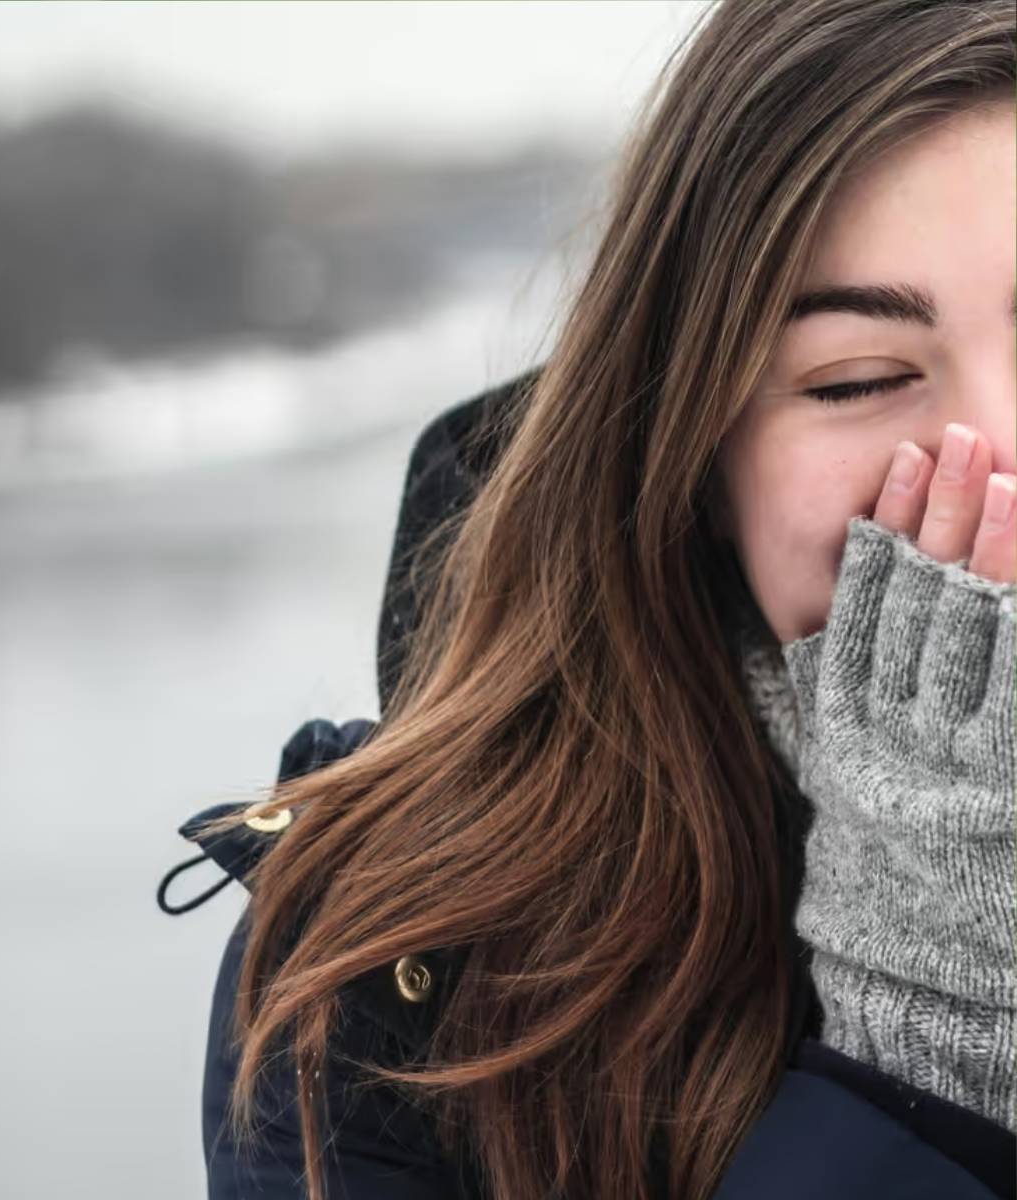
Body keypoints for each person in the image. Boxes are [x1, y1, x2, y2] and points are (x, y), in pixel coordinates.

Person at [157, 0, 1016, 1196]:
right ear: (700, 454)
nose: (996, 457)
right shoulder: (401, 980)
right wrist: (928, 1037)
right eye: (857, 380)